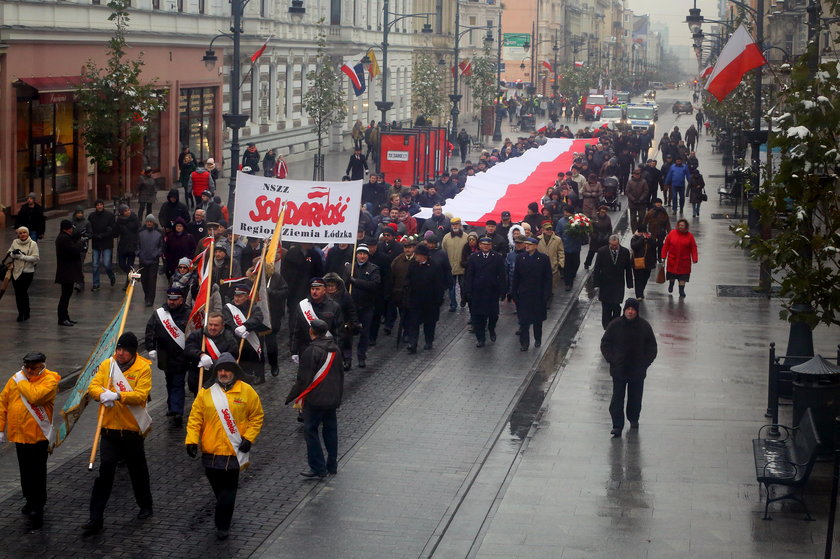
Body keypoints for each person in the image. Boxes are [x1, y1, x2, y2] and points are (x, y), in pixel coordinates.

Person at [185, 353, 264, 540]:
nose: (223, 373)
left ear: (234, 371)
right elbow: (195, 418)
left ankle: (223, 525)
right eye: (220, 369)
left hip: (234, 451)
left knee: (228, 491)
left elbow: (257, 417)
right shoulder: (206, 391)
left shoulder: (247, 391)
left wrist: (249, 438)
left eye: (227, 369)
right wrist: (191, 440)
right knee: (219, 489)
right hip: (210, 451)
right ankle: (224, 508)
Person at [82, 332, 153, 537]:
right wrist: (101, 395)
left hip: (131, 430)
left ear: (132, 352)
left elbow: (140, 396)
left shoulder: (143, 369)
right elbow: (94, 385)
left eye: (124, 350)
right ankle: (95, 518)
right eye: (118, 349)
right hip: (109, 430)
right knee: (105, 472)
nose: (120, 353)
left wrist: (118, 395)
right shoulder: (108, 365)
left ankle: (145, 504)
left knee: (138, 471)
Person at [0, 351, 60, 530]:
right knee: (25, 473)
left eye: (33, 368)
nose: (29, 371)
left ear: (42, 366)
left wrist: (21, 381)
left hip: (38, 437)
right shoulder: (17, 379)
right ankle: (29, 499)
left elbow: (35, 397)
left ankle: (38, 507)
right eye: (26, 367)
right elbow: (3, 402)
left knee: (37, 474)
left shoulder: (51, 380)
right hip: (19, 436)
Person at [285, 319, 344, 478]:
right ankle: (332, 464)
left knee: (310, 431)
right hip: (332, 398)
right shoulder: (336, 349)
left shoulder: (311, 351)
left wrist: (290, 397)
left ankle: (318, 467)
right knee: (331, 431)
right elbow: (340, 374)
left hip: (315, 399)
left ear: (311, 331)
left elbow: (303, 379)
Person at [600, 298, 658, 437]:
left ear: (636, 311)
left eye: (633, 309)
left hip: (637, 370)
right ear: (625, 310)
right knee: (617, 398)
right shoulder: (615, 325)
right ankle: (617, 425)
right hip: (619, 369)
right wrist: (612, 359)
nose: (630, 312)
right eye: (628, 309)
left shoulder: (644, 326)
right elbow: (605, 344)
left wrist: (645, 363)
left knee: (635, 397)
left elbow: (652, 347)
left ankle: (633, 418)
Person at [145, 287, 192, 426]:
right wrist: (151, 348)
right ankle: (172, 405)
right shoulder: (159, 314)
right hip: (165, 354)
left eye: (175, 299)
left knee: (178, 382)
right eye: (170, 299)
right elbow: (150, 330)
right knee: (170, 381)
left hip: (181, 355)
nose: (171, 302)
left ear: (181, 300)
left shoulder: (188, 314)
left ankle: (177, 411)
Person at [463, 237, 506, 347]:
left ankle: (491, 329)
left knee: (493, 315)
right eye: (483, 244)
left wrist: (503, 291)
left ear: (491, 245)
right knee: (478, 316)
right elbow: (469, 275)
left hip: (492, 291)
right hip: (478, 291)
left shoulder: (497, 257)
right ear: (480, 245)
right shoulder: (473, 257)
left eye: (488, 244)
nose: (485, 246)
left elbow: (502, 275)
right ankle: (480, 338)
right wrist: (467, 290)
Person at [224, 281, 269, 385]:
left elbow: (258, 318)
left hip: (251, 338)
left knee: (256, 357)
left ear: (246, 297)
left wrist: (246, 326)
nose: (237, 299)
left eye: (240, 296)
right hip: (235, 338)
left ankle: (259, 376)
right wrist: (236, 329)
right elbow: (227, 320)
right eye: (236, 296)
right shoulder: (228, 307)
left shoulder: (253, 307)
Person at [290, 278, 344, 363]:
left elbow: (338, 332)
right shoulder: (302, 306)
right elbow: (296, 330)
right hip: (306, 349)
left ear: (324, 290)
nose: (314, 292)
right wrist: (294, 351)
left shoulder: (334, 307)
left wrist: (337, 351)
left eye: (317, 289)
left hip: (326, 350)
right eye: (312, 289)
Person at [511, 237, 552, 351]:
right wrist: (514, 292)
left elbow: (548, 278)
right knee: (524, 321)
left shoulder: (543, 258)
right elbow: (516, 277)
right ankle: (524, 343)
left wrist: (547, 294)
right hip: (524, 294)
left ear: (536, 245)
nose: (527, 246)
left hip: (538, 294)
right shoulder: (520, 258)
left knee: (537, 320)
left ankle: (537, 338)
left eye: (530, 244)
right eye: (526, 244)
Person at [184, 312, 240, 394]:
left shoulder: (229, 338)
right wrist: (200, 354)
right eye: (210, 324)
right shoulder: (197, 335)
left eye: (216, 325)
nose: (212, 327)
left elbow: (233, 355)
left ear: (222, 326)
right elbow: (188, 349)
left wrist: (212, 363)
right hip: (200, 380)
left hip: (221, 380)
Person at [404, 244, 444, 353]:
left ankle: (428, 341)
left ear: (424, 256)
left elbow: (439, 284)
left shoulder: (435, 266)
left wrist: (438, 300)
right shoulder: (413, 265)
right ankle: (412, 344)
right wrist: (407, 285)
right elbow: (408, 278)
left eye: (417, 255)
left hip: (430, 301)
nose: (415, 256)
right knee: (414, 323)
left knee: (429, 324)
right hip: (415, 300)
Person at [348, 245, 380, 368]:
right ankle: (347, 358)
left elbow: (374, 285)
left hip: (366, 306)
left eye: (364, 254)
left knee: (364, 333)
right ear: (356, 255)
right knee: (348, 333)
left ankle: (361, 356)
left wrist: (356, 282)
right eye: (360, 254)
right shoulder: (350, 268)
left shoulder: (373, 269)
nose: (362, 256)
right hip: (352, 307)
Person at [593, 234, 633, 329]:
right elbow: (597, 268)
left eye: (616, 245)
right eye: (612, 245)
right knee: (606, 307)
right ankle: (606, 326)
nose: (614, 247)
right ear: (609, 243)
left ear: (618, 243)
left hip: (618, 283)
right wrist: (596, 283)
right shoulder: (602, 251)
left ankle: (614, 325)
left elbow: (628, 268)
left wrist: (629, 283)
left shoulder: (624, 252)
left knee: (616, 306)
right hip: (605, 283)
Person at [7, 227, 40, 322]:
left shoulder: (33, 244)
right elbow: (9, 253)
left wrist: (22, 257)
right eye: (20, 233)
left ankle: (26, 312)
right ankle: (21, 313)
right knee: (18, 294)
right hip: (15, 272)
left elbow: (36, 258)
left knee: (23, 292)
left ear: (28, 233)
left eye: (24, 232)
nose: (22, 234)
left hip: (27, 272)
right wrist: (13, 254)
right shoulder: (15, 242)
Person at [661, 218, 699, 298]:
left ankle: (681, 290)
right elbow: (666, 246)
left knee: (683, 277)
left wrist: (695, 258)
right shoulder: (672, 233)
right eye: (680, 225)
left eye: (683, 225)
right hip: (673, 260)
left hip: (684, 262)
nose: (681, 227)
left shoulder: (690, 236)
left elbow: (693, 248)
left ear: (686, 227)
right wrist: (663, 256)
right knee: (672, 276)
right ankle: (671, 284)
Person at [55, 220, 83, 326]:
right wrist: (80, 243)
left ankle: (65, 317)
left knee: (67, 295)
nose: (72, 229)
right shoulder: (64, 238)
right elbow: (74, 250)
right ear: (66, 228)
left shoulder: (64, 237)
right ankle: (62, 318)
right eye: (71, 228)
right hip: (66, 272)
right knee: (65, 296)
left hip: (66, 271)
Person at [441, 218, 469, 311]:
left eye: (456, 224)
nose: (455, 226)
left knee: (463, 286)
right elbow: (443, 251)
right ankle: (453, 304)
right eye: (453, 224)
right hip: (450, 267)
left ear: (460, 224)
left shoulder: (466, 237)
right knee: (451, 288)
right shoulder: (446, 237)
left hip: (463, 267)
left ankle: (463, 300)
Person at [88, 199, 116, 291]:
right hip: (96, 243)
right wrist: (93, 235)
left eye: (101, 204)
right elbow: (89, 229)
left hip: (106, 243)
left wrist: (103, 235)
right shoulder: (92, 216)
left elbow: (112, 230)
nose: (99, 206)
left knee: (107, 264)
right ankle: (96, 283)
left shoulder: (110, 216)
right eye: (97, 205)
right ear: (95, 206)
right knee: (95, 264)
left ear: (103, 206)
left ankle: (111, 275)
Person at [137, 215, 163, 307]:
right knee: (144, 280)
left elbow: (161, 246)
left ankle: (150, 299)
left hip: (153, 261)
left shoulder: (159, 233)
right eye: (147, 221)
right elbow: (137, 244)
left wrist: (157, 253)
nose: (149, 223)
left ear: (153, 223)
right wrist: (138, 253)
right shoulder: (141, 232)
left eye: (151, 222)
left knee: (152, 281)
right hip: (143, 260)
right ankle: (146, 296)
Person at [115, 205, 140, 289]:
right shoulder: (119, 220)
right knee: (121, 264)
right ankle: (131, 274)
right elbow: (116, 232)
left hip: (132, 245)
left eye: (128, 210)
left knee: (130, 265)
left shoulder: (135, 219)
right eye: (125, 211)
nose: (128, 212)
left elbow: (138, 230)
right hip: (123, 245)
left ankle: (128, 282)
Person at [630, 225, 657, 300]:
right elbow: (634, 246)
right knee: (638, 278)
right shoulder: (634, 238)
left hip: (648, 262)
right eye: (641, 232)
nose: (643, 234)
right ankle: (639, 294)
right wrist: (641, 239)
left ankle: (641, 290)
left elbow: (654, 247)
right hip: (637, 262)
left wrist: (655, 261)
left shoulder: (650, 238)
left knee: (645, 277)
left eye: (644, 232)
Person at [536, 221, 565, 293]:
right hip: (540, 265)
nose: (549, 231)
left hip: (553, 264)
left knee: (552, 283)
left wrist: (561, 263)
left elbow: (561, 252)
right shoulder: (537, 239)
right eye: (547, 229)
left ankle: (550, 293)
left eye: (550, 229)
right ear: (543, 230)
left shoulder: (558, 239)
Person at [625, 167, 649, 233]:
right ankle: (634, 231)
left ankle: (640, 230)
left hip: (642, 203)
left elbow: (646, 191)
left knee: (642, 217)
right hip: (632, 203)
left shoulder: (644, 181)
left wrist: (641, 199)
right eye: (636, 174)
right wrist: (633, 199)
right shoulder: (630, 182)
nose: (637, 175)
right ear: (633, 174)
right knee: (633, 219)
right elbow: (627, 191)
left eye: (638, 174)